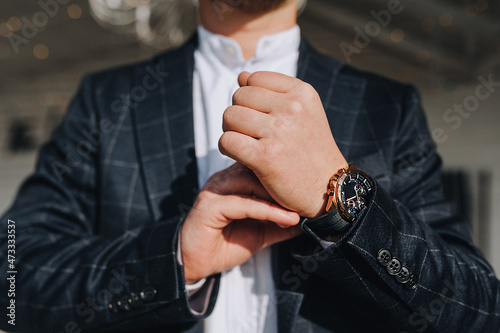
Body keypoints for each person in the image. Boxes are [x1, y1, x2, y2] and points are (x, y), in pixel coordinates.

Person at [1, 0, 499, 332]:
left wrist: (342, 200)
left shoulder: (386, 105)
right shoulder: (105, 100)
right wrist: (174, 259)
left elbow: (478, 310)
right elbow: (11, 285)